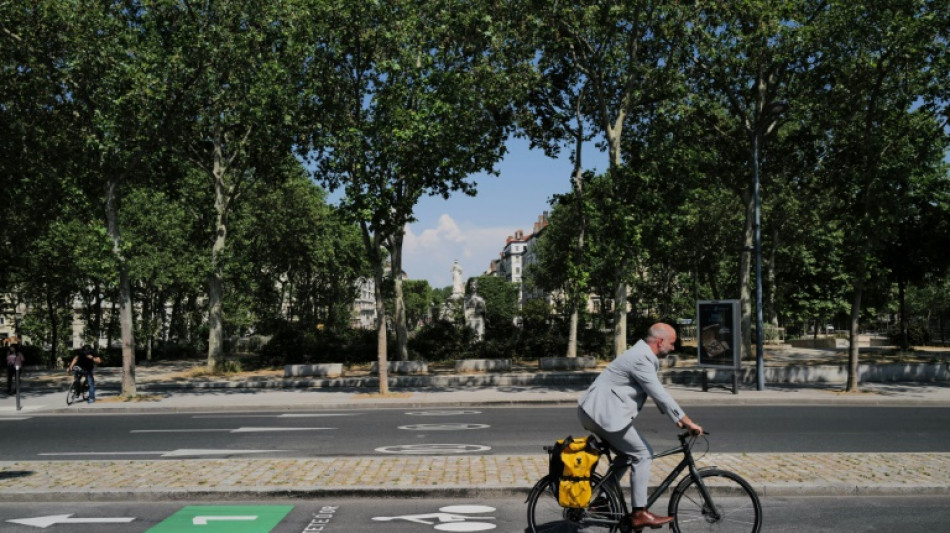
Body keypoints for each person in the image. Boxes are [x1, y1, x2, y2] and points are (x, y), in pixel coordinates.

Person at [578, 323, 703, 531]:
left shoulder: (641, 355)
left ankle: (601, 501)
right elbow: (659, 393)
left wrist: (678, 419)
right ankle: (639, 513)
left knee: (627, 455)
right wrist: (687, 420)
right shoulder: (641, 358)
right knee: (643, 453)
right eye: (672, 344)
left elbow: (656, 394)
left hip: (596, 412)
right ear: (660, 341)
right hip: (602, 413)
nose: (673, 348)